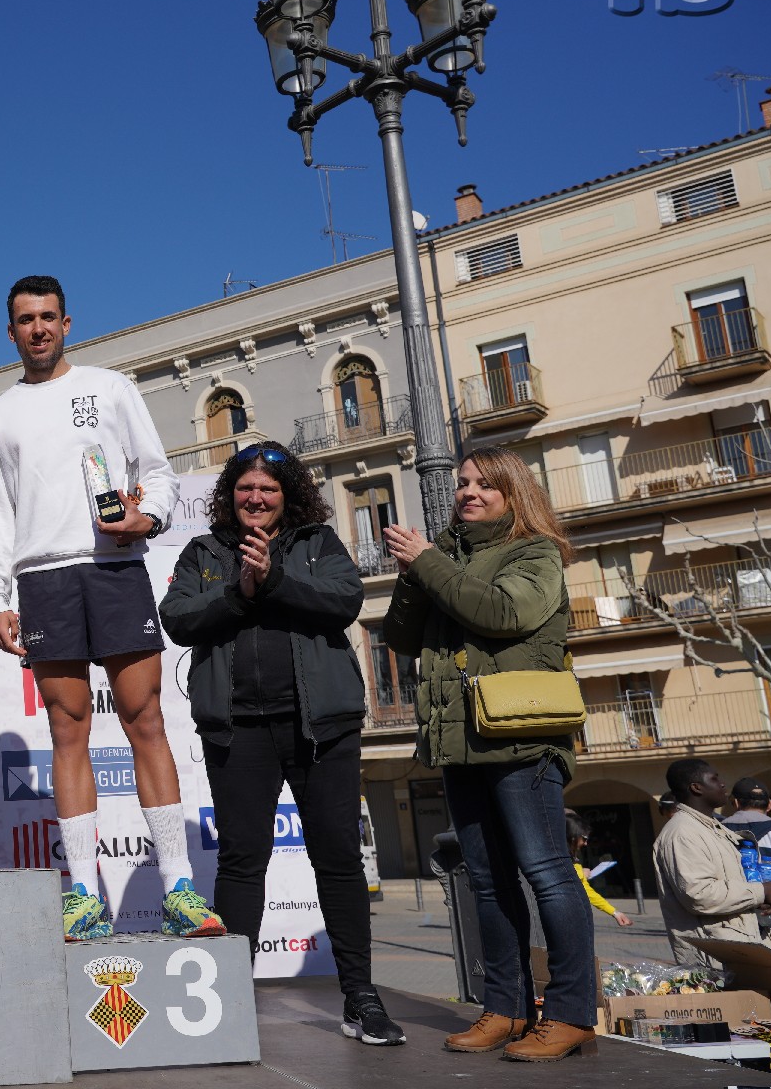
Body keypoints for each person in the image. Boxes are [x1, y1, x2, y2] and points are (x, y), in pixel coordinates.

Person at [0, 276, 223, 944]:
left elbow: (158, 472)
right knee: (68, 730)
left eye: (48, 317)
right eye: (25, 320)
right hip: (44, 579)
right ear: (11, 332)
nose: (37, 329)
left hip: (114, 569)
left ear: (66, 323)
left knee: (146, 719)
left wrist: (150, 516)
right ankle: (83, 895)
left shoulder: (111, 388)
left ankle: (179, 889)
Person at [160, 438, 401, 1046]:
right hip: (237, 729)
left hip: (322, 728)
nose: (256, 497)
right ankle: (231, 1002)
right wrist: (238, 591)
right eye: (245, 487)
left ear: (287, 496)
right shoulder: (204, 551)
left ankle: (361, 998)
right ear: (230, 494)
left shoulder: (318, 544)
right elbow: (178, 618)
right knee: (242, 862)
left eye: (268, 488)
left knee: (338, 859)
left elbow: (344, 601)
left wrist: (273, 580)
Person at [382, 446, 595, 1062]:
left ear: (513, 493)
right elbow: (400, 636)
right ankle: (506, 1007)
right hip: (461, 741)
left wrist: (429, 563)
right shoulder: (445, 557)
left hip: (522, 738)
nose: (468, 492)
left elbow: (502, 613)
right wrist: (416, 571)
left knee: (547, 873)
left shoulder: (536, 553)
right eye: (463, 483)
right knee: (486, 881)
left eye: (484, 484)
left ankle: (571, 1013)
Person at [654, 758, 771, 965]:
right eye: (714, 779)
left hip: (744, 948)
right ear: (696, 787)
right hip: (717, 960)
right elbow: (699, 894)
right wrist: (763, 891)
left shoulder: (713, 828)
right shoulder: (682, 833)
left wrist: (767, 900)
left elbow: (738, 880)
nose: (723, 784)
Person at [566, 814, 631, 928]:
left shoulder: (573, 859)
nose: (586, 843)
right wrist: (579, 874)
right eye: (584, 838)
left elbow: (588, 892)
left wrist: (614, 912)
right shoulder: (557, 858)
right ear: (573, 837)